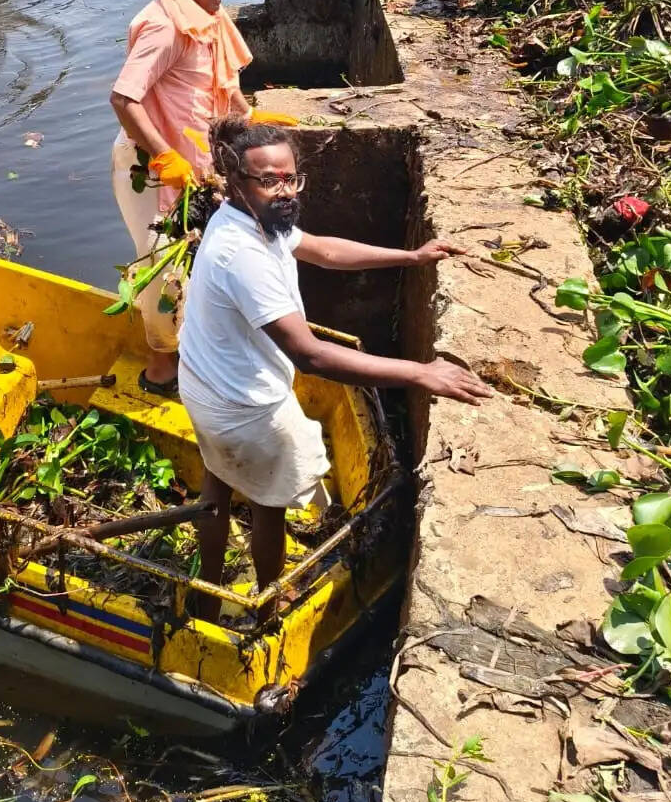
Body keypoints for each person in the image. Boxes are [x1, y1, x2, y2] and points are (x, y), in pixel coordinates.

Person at [178, 118, 492, 618]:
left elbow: (322, 249)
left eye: (290, 178)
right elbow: (310, 354)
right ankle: (267, 601)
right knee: (268, 507)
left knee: (217, 483)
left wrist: (411, 256)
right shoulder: (241, 255)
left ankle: (208, 593)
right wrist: (419, 372)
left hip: (205, 384)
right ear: (236, 182)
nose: (283, 191)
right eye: (268, 180)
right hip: (242, 405)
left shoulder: (255, 219)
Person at [110, 0, 295, 396]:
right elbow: (124, 98)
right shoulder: (166, 28)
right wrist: (161, 154)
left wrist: (248, 118)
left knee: (193, 256)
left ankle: (189, 345)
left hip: (192, 161)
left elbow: (223, 80)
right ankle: (159, 370)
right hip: (148, 166)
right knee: (160, 262)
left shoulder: (208, 19)